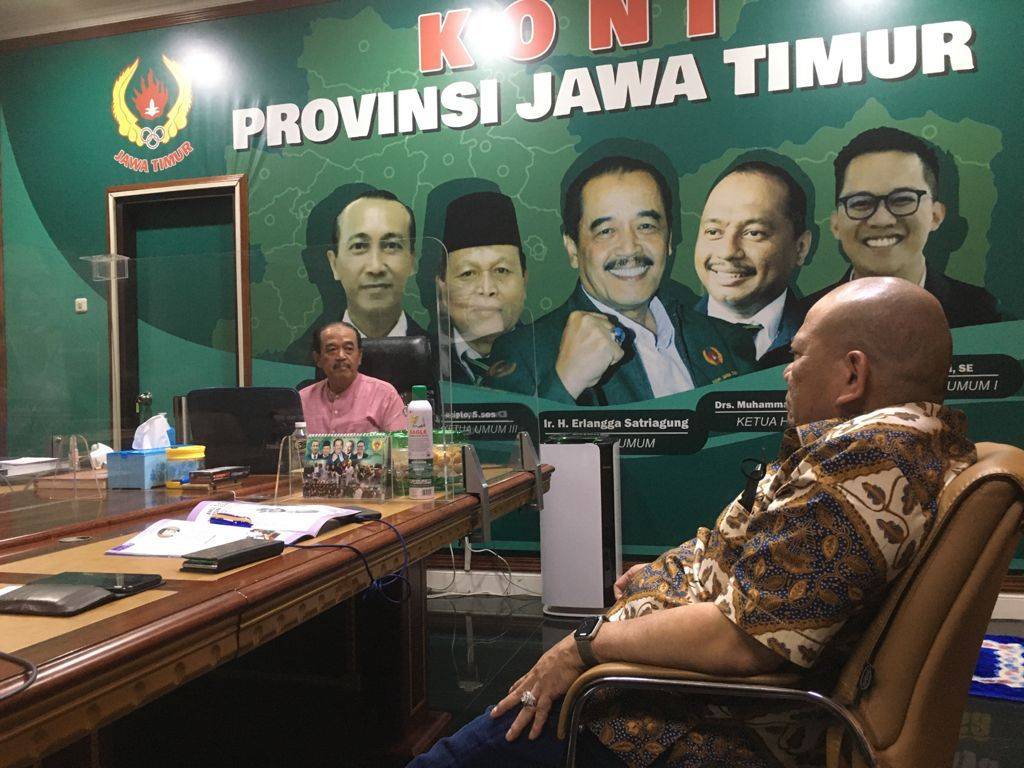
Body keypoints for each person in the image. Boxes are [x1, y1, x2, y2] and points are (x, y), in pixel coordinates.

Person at [408, 277, 976, 768]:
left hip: (674, 718)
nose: (787, 373)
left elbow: (743, 641)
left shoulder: (865, 462)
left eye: (799, 356)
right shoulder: (889, 448)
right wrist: (663, 574)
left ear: (852, 375)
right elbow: (751, 571)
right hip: (665, 683)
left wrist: (580, 648)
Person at [484, 156, 756, 405]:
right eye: (606, 231)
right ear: (572, 249)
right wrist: (564, 384)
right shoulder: (525, 353)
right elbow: (502, 444)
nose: (629, 248)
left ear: (669, 239)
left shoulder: (724, 338)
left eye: (646, 226)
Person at [811, 126, 1000, 327]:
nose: (881, 220)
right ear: (836, 224)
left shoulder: (985, 318)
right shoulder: (803, 322)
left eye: (902, 200)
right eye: (861, 202)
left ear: (935, 215)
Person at [695, 161, 811, 368]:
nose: (727, 252)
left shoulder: (831, 343)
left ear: (801, 248)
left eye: (754, 233)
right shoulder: (664, 342)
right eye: (713, 232)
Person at [438, 191, 528, 385]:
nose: (487, 289)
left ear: (524, 280)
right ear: (443, 291)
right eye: (468, 273)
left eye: (501, 270)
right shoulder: (420, 365)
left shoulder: (558, 360)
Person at [326, 190, 429, 338]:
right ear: (334, 264)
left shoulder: (439, 351)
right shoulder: (303, 352)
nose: (376, 267)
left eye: (392, 245)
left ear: (412, 261)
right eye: (359, 246)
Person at [298, 322, 406, 433]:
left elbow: (400, 442)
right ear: (318, 358)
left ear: (359, 356)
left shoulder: (385, 395)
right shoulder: (302, 400)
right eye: (332, 349)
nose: (341, 356)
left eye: (348, 348)